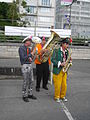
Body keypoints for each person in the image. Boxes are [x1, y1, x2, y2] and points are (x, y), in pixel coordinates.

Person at [51, 38, 70, 103]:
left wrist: (69, 62)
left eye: (68, 44)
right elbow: (52, 60)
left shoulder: (67, 51)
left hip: (64, 70)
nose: (67, 45)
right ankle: (57, 97)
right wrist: (60, 63)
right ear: (62, 44)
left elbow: (68, 59)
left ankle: (62, 96)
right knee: (58, 85)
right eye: (66, 44)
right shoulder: (56, 50)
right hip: (57, 70)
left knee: (64, 85)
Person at [18, 36, 37, 102]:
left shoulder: (28, 49)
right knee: (25, 81)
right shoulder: (21, 48)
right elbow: (23, 58)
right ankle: (24, 95)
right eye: (30, 41)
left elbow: (31, 59)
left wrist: (34, 54)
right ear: (26, 41)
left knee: (31, 80)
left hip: (30, 64)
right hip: (25, 65)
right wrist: (31, 53)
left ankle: (30, 93)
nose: (31, 42)